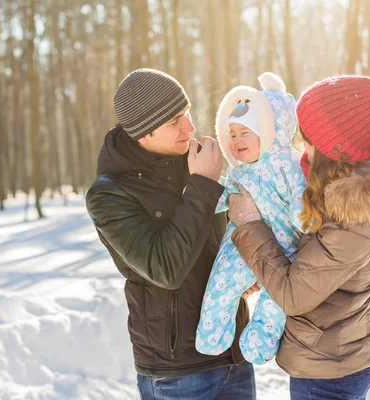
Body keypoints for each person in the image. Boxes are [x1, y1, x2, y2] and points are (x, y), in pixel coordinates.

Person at [227, 73, 370, 399]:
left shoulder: (357, 217)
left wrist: (249, 225)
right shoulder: (369, 179)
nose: (300, 144)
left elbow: (295, 294)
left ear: (337, 152)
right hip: (347, 351)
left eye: (308, 139)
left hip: (328, 372)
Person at [86, 68, 255, 400]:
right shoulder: (110, 194)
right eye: (175, 120)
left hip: (234, 354)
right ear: (144, 133)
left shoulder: (195, 161)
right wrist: (202, 185)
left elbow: (221, 240)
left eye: (188, 112)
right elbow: (166, 269)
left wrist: (244, 271)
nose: (190, 126)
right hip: (178, 373)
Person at [195, 73, 307, 366]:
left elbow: (303, 191)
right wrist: (201, 193)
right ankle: (212, 335)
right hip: (241, 247)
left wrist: (302, 210)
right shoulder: (238, 172)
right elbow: (224, 197)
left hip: (286, 250)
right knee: (221, 285)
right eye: (231, 135)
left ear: (270, 130)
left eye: (245, 132)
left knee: (276, 301)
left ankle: (259, 344)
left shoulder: (291, 163)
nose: (236, 141)